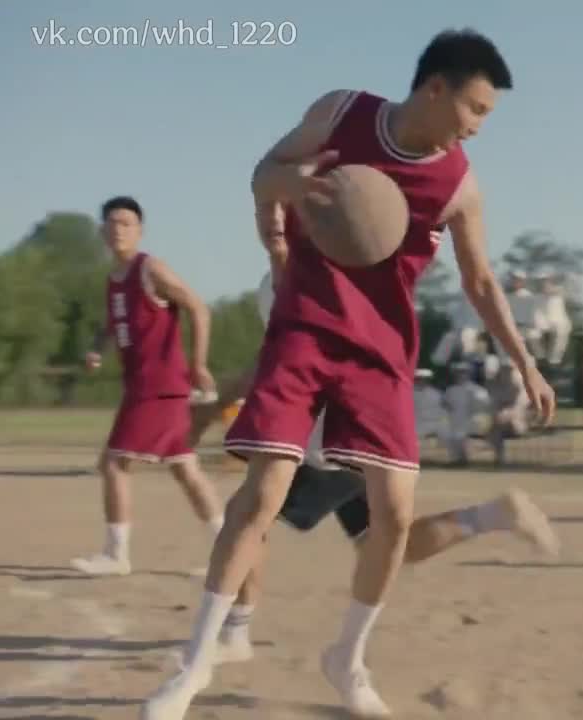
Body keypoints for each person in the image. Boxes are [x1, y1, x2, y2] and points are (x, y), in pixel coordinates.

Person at [143, 30, 555, 719]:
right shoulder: (341, 114)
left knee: (393, 516)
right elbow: (265, 172)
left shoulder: (458, 185)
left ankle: (347, 659)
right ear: (435, 89)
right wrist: (287, 192)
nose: (479, 126)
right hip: (305, 329)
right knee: (260, 497)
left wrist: (525, 360)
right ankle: (193, 667)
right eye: (476, 109)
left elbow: (481, 281)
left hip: (382, 353)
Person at [181, 269, 560, 668]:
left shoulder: (302, 274)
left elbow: (278, 359)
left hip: (327, 435)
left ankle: (235, 633)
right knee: (386, 546)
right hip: (363, 431)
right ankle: (492, 515)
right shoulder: (346, 268)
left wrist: (209, 411)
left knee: (247, 521)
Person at [72, 196, 224, 577]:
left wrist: (198, 364)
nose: (118, 229)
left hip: (159, 387)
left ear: (140, 231)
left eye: (126, 223)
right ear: (102, 231)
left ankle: (116, 555)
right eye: (112, 223)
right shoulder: (114, 279)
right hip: (142, 388)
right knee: (185, 469)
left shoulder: (150, 269)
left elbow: (198, 307)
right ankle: (228, 550)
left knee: (114, 464)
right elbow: (112, 322)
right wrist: (97, 348)